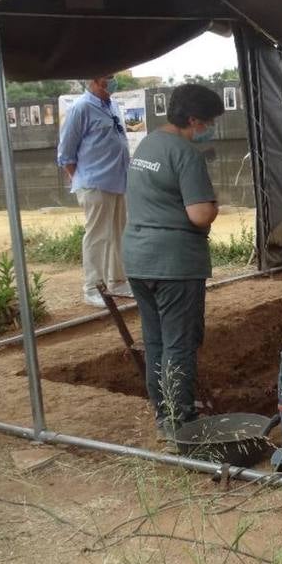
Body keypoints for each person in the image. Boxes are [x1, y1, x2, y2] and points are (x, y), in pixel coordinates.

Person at [121, 84, 224, 440]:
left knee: (156, 341)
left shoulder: (146, 145)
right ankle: (178, 421)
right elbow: (199, 214)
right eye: (208, 122)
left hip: (139, 258)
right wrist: (214, 205)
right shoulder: (185, 153)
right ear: (193, 120)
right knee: (179, 342)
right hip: (174, 263)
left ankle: (163, 412)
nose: (208, 129)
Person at [56, 74, 132, 307]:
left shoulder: (112, 105)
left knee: (119, 233)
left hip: (119, 181)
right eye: (109, 77)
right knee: (98, 235)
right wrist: (82, 179)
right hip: (95, 182)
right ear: (96, 80)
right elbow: (66, 153)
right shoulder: (81, 108)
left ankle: (118, 281)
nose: (113, 80)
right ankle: (93, 287)